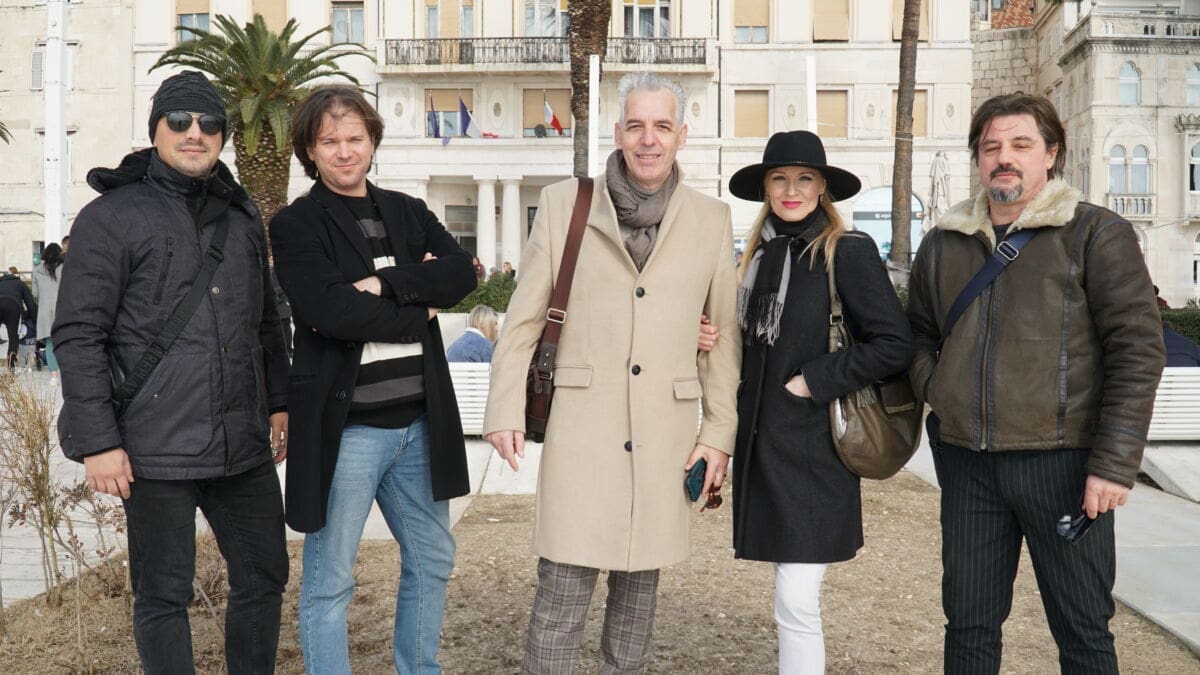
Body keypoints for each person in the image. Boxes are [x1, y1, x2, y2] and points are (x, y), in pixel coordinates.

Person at [483, 71, 741, 673]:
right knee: (559, 601)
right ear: (618, 132)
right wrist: (503, 410)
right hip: (582, 431)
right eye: (636, 125)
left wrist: (717, 434)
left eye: (662, 126)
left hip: (664, 438)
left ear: (682, 135)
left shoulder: (712, 218)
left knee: (636, 612)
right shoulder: (563, 205)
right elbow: (523, 320)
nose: (648, 139)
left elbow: (722, 337)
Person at [907, 93, 1165, 673]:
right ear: (978, 158)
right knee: (968, 626)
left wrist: (1114, 464)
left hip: (1065, 465)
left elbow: (1137, 351)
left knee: (1083, 631)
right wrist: (938, 386)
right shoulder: (943, 242)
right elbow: (918, 333)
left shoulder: (1096, 233)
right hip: (968, 465)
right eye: (991, 146)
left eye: (1021, 144)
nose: (1005, 157)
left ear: (1051, 154)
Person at [52, 70, 290, 674]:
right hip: (153, 448)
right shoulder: (111, 217)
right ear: (155, 129)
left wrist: (278, 402)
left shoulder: (241, 217)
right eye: (179, 120)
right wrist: (99, 442)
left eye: (210, 123)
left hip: (241, 445)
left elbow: (266, 320)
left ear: (223, 135)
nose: (195, 133)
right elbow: (79, 334)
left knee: (264, 575)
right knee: (163, 595)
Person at [270, 85, 476, 674]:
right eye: (329, 140)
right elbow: (329, 312)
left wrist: (384, 284)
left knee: (432, 560)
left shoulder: (408, 211)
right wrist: (419, 306)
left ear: (373, 141)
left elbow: (462, 274)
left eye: (354, 138)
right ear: (310, 150)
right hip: (348, 431)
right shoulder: (295, 225)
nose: (344, 151)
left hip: (420, 424)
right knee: (331, 578)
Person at [728, 131, 912, 673]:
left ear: (822, 188)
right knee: (789, 595)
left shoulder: (846, 250)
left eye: (804, 178)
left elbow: (894, 344)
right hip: (764, 448)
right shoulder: (757, 257)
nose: (792, 190)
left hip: (816, 450)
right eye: (780, 179)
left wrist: (814, 379)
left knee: (796, 600)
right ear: (765, 188)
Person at [32, 243, 64, 382]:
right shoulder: (63, 268)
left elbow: (34, 293)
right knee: (65, 342)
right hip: (62, 310)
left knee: (50, 344)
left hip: (45, 312)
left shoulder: (37, 270)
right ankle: (67, 375)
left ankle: (53, 377)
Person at [0, 268, 36, 368]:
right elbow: (30, 303)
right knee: (13, 337)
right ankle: (11, 366)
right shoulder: (21, 284)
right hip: (13, 306)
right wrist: (33, 318)